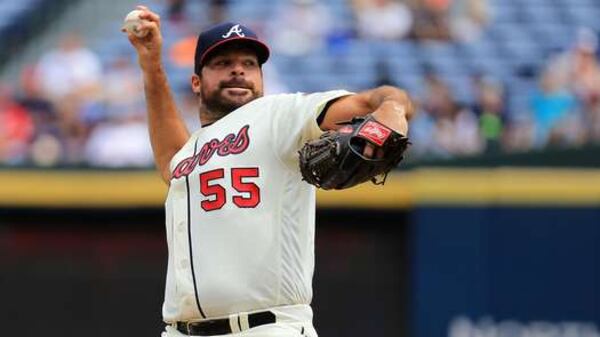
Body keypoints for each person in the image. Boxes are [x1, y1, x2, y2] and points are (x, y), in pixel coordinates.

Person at [123, 5, 412, 337]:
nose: (238, 71)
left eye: (249, 64)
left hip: (266, 327)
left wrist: (393, 106)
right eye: (223, 63)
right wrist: (151, 65)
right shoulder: (192, 153)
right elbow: (172, 159)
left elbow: (370, 101)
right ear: (196, 82)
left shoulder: (279, 116)